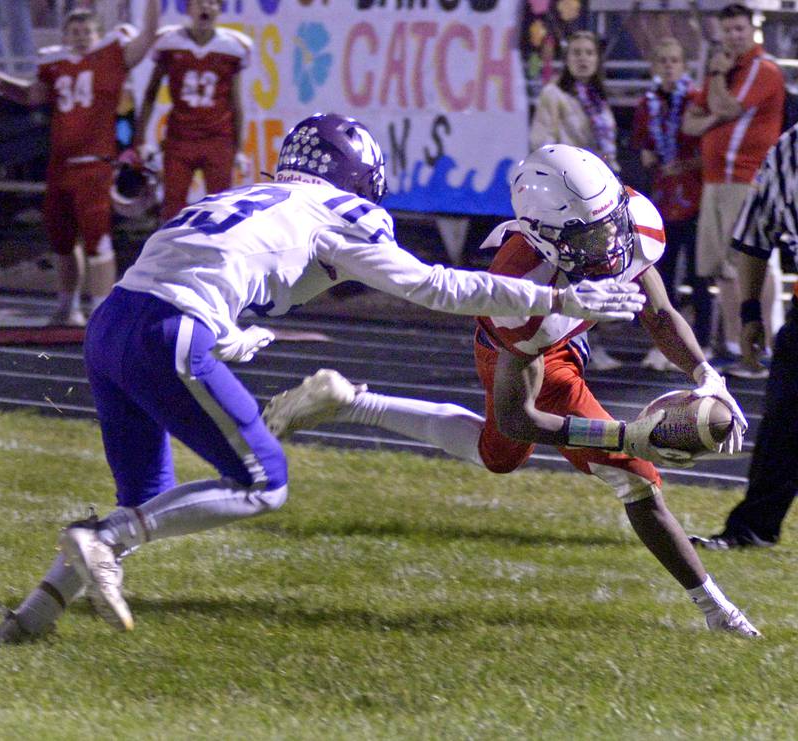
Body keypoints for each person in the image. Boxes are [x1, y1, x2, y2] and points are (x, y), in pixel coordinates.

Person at [0, 114, 647, 644]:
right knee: (263, 482)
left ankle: (33, 617)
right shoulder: (343, 211)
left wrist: (226, 333)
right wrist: (564, 302)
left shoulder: (241, 197)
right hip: (168, 327)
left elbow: (190, 264)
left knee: (149, 494)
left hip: (112, 322)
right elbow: (435, 285)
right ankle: (102, 538)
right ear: (358, 181)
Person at [264, 145, 760, 637]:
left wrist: (705, 374)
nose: (610, 245)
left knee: (633, 482)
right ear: (544, 238)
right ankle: (353, 403)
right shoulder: (519, 295)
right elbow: (516, 419)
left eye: (612, 224)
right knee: (510, 456)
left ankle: (718, 612)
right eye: (589, 237)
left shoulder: (625, 223)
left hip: (566, 327)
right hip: (533, 350)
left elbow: (658, 313)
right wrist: (623, 437)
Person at [0, 2, 159, 327]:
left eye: (87, 31)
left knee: (98, 239)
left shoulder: (112, 56)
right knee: (61, 239)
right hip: (60, 166)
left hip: (95, 166)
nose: (81, 36)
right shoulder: (56, 64)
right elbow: (32, 95)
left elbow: (147, 37)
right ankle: (67, 305)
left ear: (98, 33)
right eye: (74, 31)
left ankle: (101, 311)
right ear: (65, 35)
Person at [691, 123, 798, 550]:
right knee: (782, 429)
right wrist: (750, 310)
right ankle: (752, 529)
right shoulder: (789, 149)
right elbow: (757, 235)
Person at [682, 3, 784, 360]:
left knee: (750, 262)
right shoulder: (722, 71)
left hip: (747, 178)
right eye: (728, 31)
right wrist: (716, 85)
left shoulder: (763, 69)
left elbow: (726, 109)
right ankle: (733, 346)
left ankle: (765, 344)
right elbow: (689, 124)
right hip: (714, 180)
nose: (733, 36)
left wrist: (716, 86)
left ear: (752, 30)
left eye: (739, 29)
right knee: (721, 267)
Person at [529, 30, 622, 371]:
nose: (583, 58)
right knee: (574, 272)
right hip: (569, 196)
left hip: (598, 196)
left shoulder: (597, 96)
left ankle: (588, 342)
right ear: (568, 59)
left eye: (589, 53)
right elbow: (541, 141)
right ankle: (572, 345)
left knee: (599, 270)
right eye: (577, 53)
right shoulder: (555, 94)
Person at [632, 37, 712, 372]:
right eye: (662, 60)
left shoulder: (695, 100)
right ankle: (665, 346)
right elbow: (643, 146)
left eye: (674, 60)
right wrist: (647, 155)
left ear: (684, 65)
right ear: (654, 66)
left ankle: (703, 344)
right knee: (661, 279)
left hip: (693, 200)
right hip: (662, 204)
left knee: (699, 276)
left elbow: (707, 149)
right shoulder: (646, 103)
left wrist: (686, 166)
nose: (668, 66)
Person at [135, 0, 252, 222]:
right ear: (188, 8)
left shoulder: (232, 47)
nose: (205, 8)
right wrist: (139, 138)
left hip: (218, 138)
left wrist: (238, 148)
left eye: (212, 3)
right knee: (172, 209)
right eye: (199, 3)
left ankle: (217, 256)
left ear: (219, 9)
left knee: (219, 209)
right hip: (180, 138)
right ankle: (169, 256)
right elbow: (151, 93)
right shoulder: (169, 43)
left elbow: (235, 102)